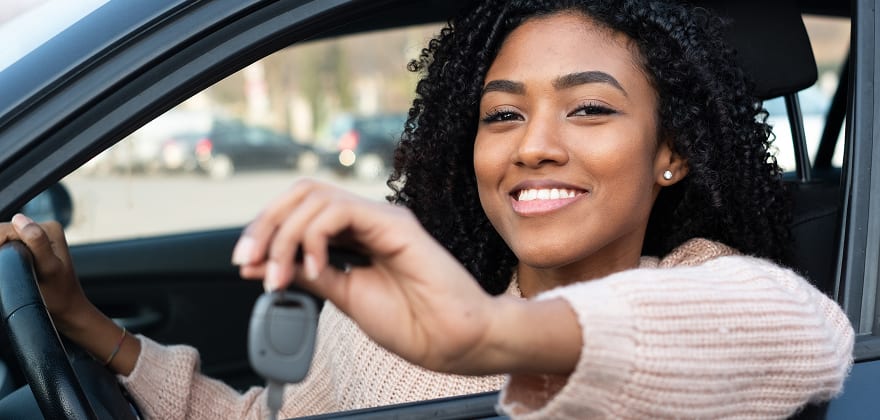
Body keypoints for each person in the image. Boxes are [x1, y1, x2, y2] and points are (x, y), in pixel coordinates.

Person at [0, 0, 853, 418]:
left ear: (671, 154)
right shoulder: (382, 317)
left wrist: (487, 339)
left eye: (589, 109)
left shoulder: (700, 290)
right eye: (503, 114)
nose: (533, 147)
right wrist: (86, 323)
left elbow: (806, 334)